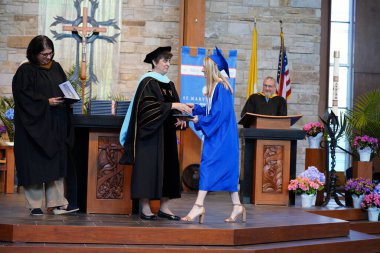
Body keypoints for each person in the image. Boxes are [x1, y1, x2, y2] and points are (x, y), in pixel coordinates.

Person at [119, 46, 191, 220]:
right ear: (154, 62)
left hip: (166, 134)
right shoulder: (148, 82)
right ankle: (145, 208)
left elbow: (174, 109)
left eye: (169, 61)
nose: (168, 64)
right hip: (150, 135)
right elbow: (146, 109)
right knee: (147, 169)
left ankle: (164, 207)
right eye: (164, 61)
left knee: (168, 169)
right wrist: (172, 106)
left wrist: (180, 118)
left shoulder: (169, 84)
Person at [12, 35, 79, 215]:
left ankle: (57, 204)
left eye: (50, 53)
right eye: (44, 54)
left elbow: (65, 87)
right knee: (34, 164)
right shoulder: (25, 71)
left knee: (56, 163)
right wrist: (45, 102)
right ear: (33, 53)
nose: (48, 57)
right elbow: (22, 99)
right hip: (34, 126)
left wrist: (70, 97)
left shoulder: (56, 67)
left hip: (55, 124)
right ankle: (34, 205)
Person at [181, 47, 246, 224]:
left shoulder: (222, 88)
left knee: (209, 165)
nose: (202, 70)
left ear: (211, 68)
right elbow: (212, 110)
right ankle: (237, 205)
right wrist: (195, 108)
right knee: (225, 169)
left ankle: (199, 205)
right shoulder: (216, 87)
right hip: (220, 135)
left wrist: (199, 120)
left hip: (222, 137)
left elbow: (219, 115)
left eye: (204, 67)